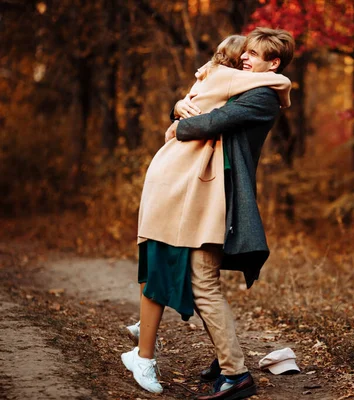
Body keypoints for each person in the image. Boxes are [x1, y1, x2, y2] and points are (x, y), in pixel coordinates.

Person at [120, 30, 293, 399]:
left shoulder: (263, 95)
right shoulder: (246, 86)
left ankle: (235, 372)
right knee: (204, 280)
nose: (245, 59)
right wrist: (178, 106)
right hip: (202, 193)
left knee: (203, 281)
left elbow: (211, 121)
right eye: (243, 52)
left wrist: (178, 124)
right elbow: (202, 99)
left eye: (255, 54)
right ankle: (229, 364)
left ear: (273, 63)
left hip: (221, 196)